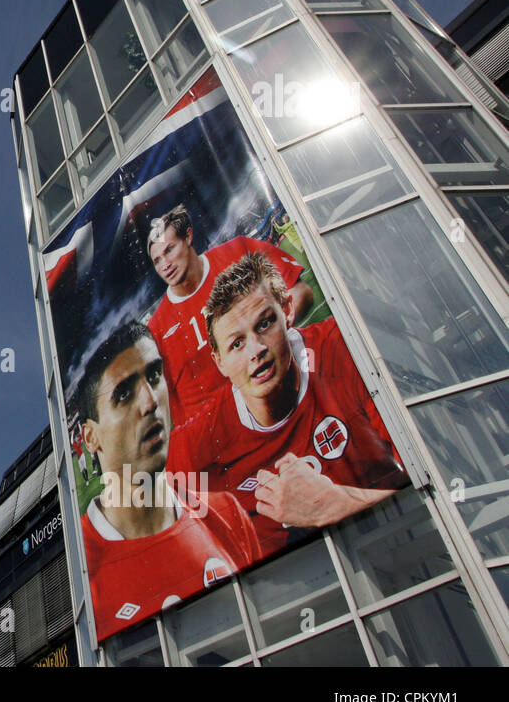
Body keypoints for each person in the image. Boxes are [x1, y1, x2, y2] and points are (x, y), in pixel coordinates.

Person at [167, 251, 408, 557]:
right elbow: (137, 497)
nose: (256, 350)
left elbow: (428, 477)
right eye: (237, 344)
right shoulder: (206, 434)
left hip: (409, 537)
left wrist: (334, 505)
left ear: (288, 311)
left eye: (265, 324)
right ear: (220, 362)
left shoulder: (341, 349)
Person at [75, 322, 261, 640]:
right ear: (90, 437)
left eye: (154, 376)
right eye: (123, 394)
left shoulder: (227, 514)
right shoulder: (79, 574)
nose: (150, 403)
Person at [146, 205, 314, 428]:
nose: (165, 265)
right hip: (226, 437)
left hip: (288, 400)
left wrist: (271, 332)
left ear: (188, 237)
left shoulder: (238, 252)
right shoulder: (156, 331)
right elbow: (170, 409)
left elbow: (301, 292)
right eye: (157, 260)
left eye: (169, 250)